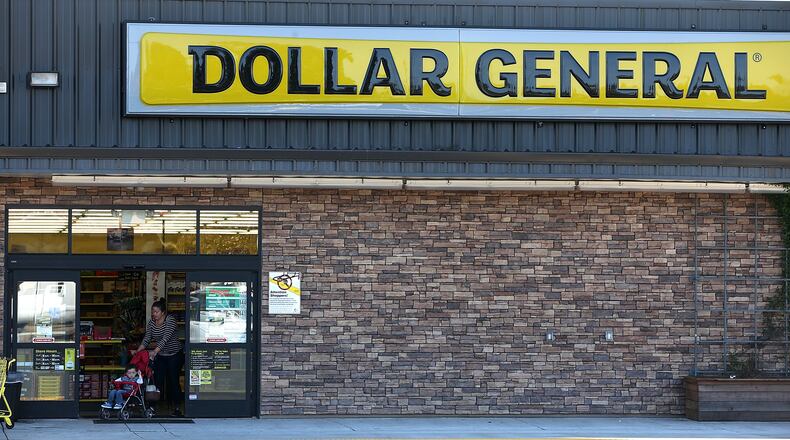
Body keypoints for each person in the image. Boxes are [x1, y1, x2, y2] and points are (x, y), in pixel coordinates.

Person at [132, 300, 184, 416]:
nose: (154, 314)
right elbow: (147, 338)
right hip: (161, 356)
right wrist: (138, 350)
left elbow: (165, 339)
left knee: (173, 381)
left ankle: (177, 407)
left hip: (174, 355)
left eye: (156, 312)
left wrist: (154, 351)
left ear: (163, 313)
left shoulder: (170, 320)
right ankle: (152, 407)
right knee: (156, 381)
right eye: (152, 312)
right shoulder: (151, 323)